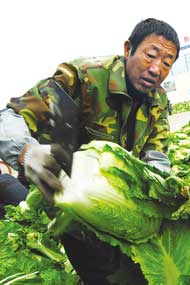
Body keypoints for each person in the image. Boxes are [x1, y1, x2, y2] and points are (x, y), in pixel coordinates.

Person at [0, 18, 180, 284]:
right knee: (101, 273)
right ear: (129, 49)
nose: (156, 69)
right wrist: (27, 152)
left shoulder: (158, 101)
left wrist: (155, 197)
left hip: (117, 210)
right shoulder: (85, 77)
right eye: (151, 55)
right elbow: (11, 116)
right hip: (66, 201)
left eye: (167, 63)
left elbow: (157, 156)